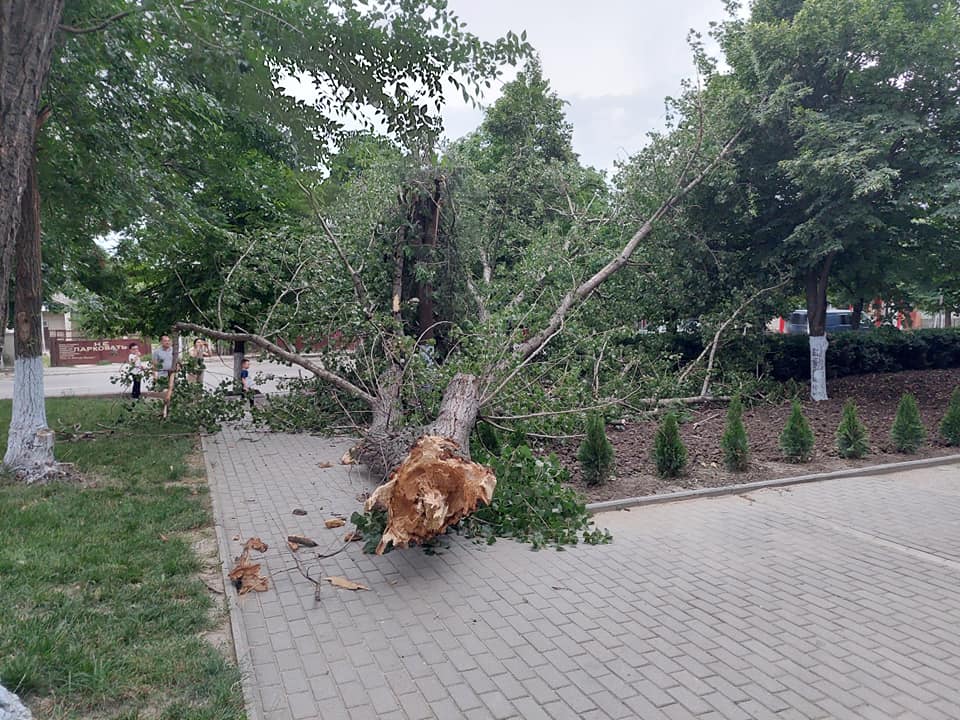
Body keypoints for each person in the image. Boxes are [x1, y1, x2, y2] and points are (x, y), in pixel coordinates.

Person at [152, 335, 176, 417]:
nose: (167, 342)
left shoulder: (173, 351)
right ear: (161, 342)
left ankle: (169, 411)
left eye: (169, 340)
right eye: (165, 341)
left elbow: (178, 362)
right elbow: (154, 365)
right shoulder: (157, 352)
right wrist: (154, 376)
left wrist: (178, 367)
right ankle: (163, 410)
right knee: (164, 393)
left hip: (172, 374)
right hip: (162, 375)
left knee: (172, 393)